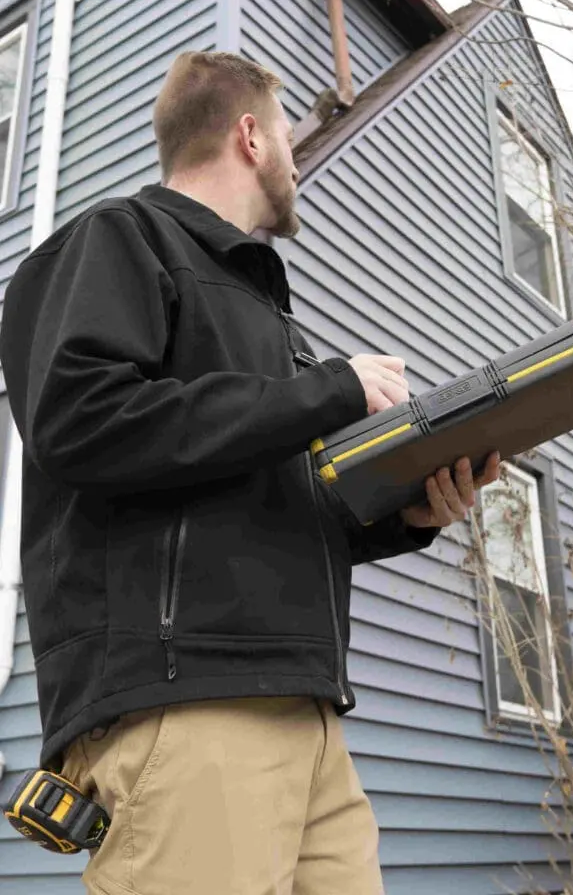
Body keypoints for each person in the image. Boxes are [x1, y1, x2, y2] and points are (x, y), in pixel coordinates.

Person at [0, 52, 500, 895]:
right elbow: (80, 422)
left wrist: (407, 515)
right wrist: (329, 389)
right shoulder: (116, 240)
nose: (298, 160)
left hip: (308, 716)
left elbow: (269, 491)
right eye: (288, 137)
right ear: (249, 136)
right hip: (189, 706)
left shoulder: (273, 322)